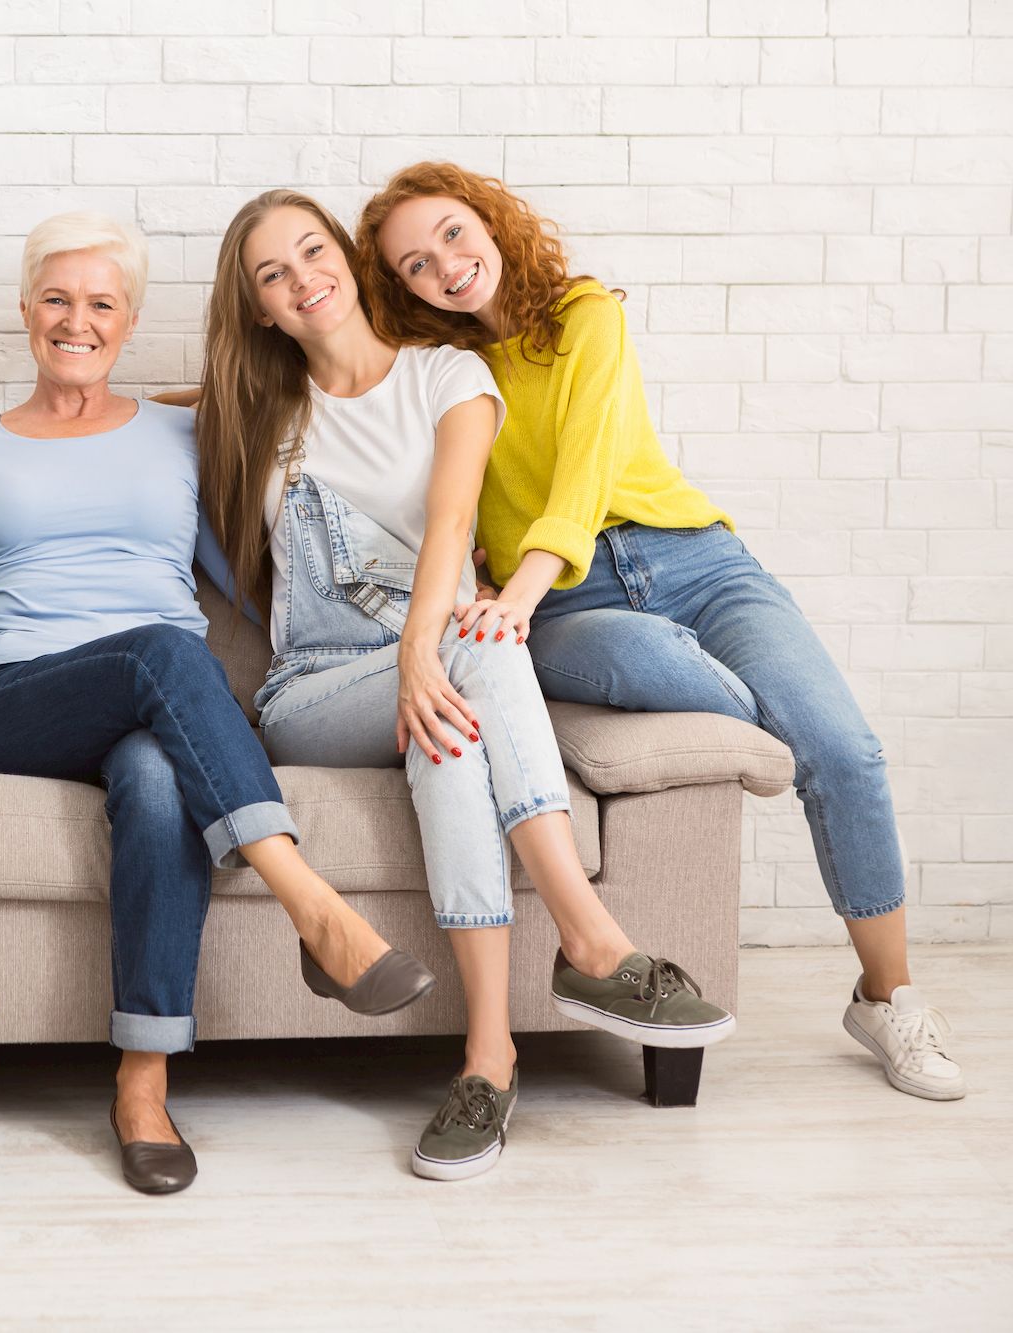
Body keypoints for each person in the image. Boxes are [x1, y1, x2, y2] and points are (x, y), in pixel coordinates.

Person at [360, 161, 964, 1101]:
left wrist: (514, 591)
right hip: (570, 607)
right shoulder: (443, 374)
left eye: (448, 235)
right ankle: (770, 728)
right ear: (402, 293)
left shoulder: (586, 313)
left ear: (486, 223)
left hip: (692, 562)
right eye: (411, 265)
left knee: (843, 749)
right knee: (645, 660)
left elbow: (587, 470)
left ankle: (888, 995)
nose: (441, 264)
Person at [193, 189, 732, 1180]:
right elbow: (123, 412)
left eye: (310, 251)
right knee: (470, 660)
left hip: (428, 658)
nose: (299, 277)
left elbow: (449, 524)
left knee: (454, 714)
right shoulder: (256, 405)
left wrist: (414, 654)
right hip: (312, 689)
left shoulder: (449, 374)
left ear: (349, 265)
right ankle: (590, 941)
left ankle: (486, 1061)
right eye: (270, 275)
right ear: (261, 310)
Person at [0, 212, 437, 1197]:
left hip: (150, 711)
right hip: (11, 708)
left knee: (156, 776)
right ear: (23, 312)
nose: (77, 319)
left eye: (101, 303)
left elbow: (255, 581)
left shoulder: (179, 435)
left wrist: (422, 607)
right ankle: (311, 905)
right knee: (160, 648)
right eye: (56, 299)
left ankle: (141, 1085)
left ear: (131, 322)